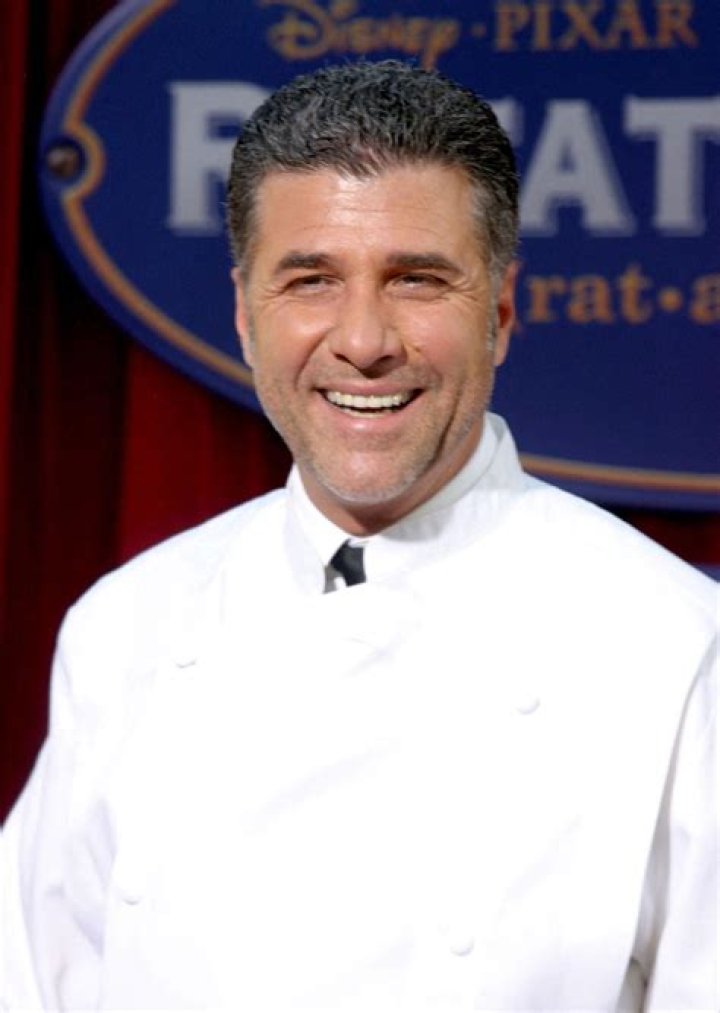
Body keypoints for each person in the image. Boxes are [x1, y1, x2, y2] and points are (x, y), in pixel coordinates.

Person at [2, 60, 717, 1012]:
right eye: (311, 281)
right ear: (244, 317)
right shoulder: (125, 625)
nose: (365, 340)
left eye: (417, 280)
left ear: (501, 313)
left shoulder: (675, 644)